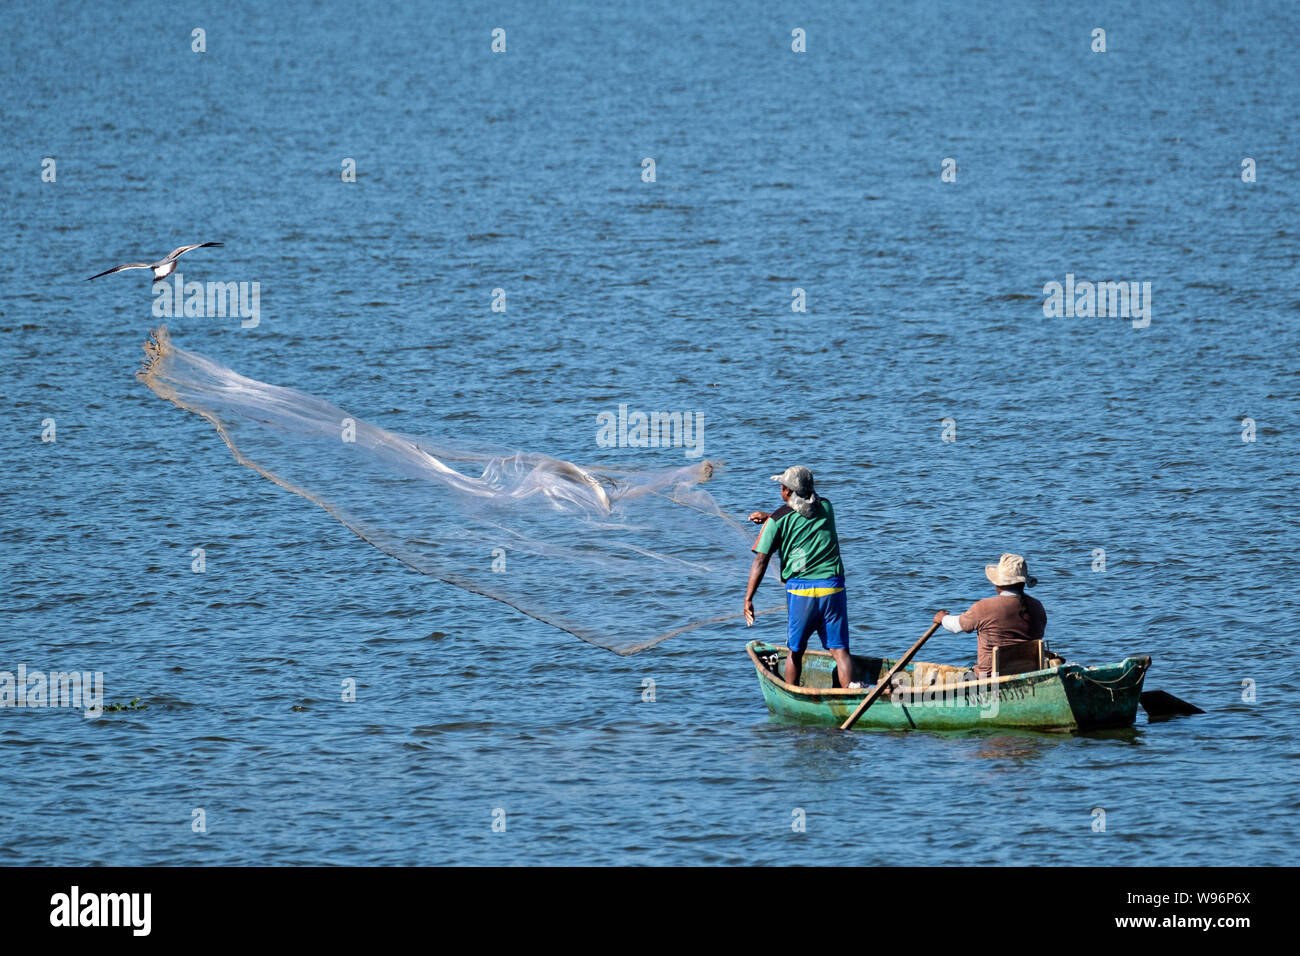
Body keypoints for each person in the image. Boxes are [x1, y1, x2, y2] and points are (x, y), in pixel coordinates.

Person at [744, 466, 854, 689]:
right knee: (840, 651)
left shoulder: (777, 520)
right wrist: (769, 517)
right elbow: (805, 512)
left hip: (800, 592)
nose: (780, 490)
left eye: (782, 487)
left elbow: (761, 561)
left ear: (787, 491)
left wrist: (748, 598)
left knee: (796, 651)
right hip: (832, 588)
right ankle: (850, 694)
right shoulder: (827, 507)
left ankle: (792, 692)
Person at [933, 554, 1046, 678]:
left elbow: (956, 626)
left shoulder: (984, 608)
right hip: (1029, 673)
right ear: (1023, 583)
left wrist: (942, 618)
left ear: (998, 583)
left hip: (989, 678)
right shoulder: (1037, 606)